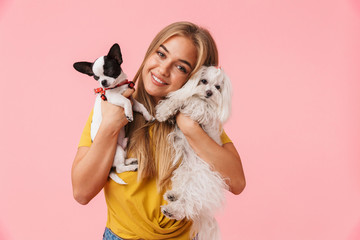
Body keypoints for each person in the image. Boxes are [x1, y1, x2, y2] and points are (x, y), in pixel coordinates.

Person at [71, 21, 246, 240]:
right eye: (161, 55)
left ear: (195, 78)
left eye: (181, 67)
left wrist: (190, 128)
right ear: (150, 52)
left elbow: (237, 182)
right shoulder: (111, 108)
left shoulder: (200, 120)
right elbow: (82, 192)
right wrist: (109, 126)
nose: (163, 70)